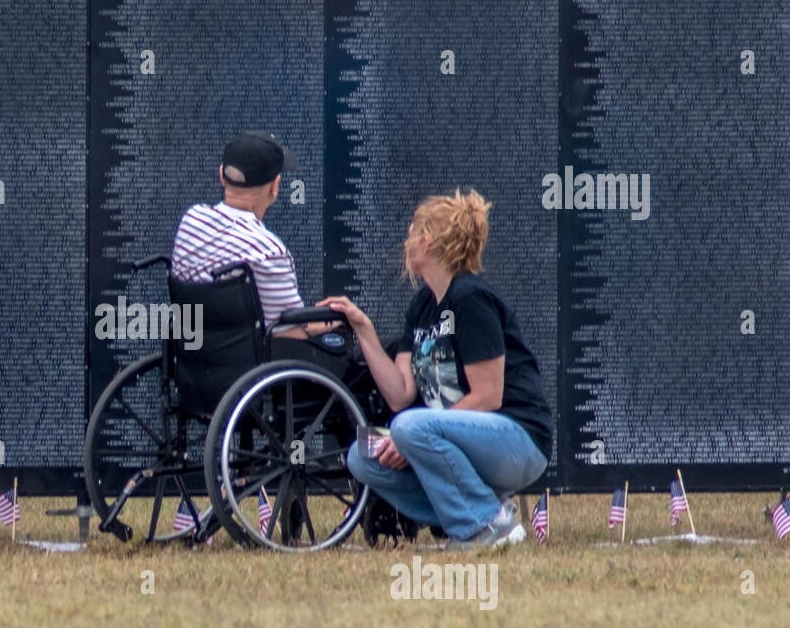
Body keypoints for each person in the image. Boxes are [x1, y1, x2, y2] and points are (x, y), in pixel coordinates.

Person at [319, 188, 552, 548]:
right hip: (454, 437)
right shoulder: (423, 304)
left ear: (426, 241)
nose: (406, 240)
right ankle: (483, 510)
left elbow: (488, 397)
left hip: (518, 439)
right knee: (362, 456)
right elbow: (400, 394)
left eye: (412, 231)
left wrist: (411, 435)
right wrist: (364, 330)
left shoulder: (470, 298)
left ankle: (490, 525)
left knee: (408, 426)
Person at [171, 131, 360, 378]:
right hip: (258, 379)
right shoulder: (266, 250)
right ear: (274, 187)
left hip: (196, 370)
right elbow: (291, 331)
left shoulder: (191, 221)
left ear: (222, 175)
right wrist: (337, 321)